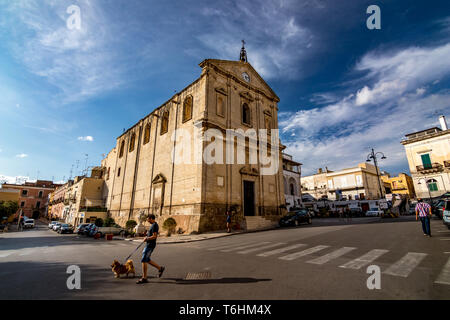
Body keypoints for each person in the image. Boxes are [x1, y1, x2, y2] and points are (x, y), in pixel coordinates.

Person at [136, 214, 165, 284]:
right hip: (148, 244)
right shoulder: (152, 225)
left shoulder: (155, 225)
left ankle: (144, 278)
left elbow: (155, 236)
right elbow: (151, 235)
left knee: (144, 260)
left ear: (151, 218)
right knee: (147, 260)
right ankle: (160, 268)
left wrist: (147, 238)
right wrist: (146, 236)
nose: (147, 220)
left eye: (148, 219)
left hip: (151, 245)